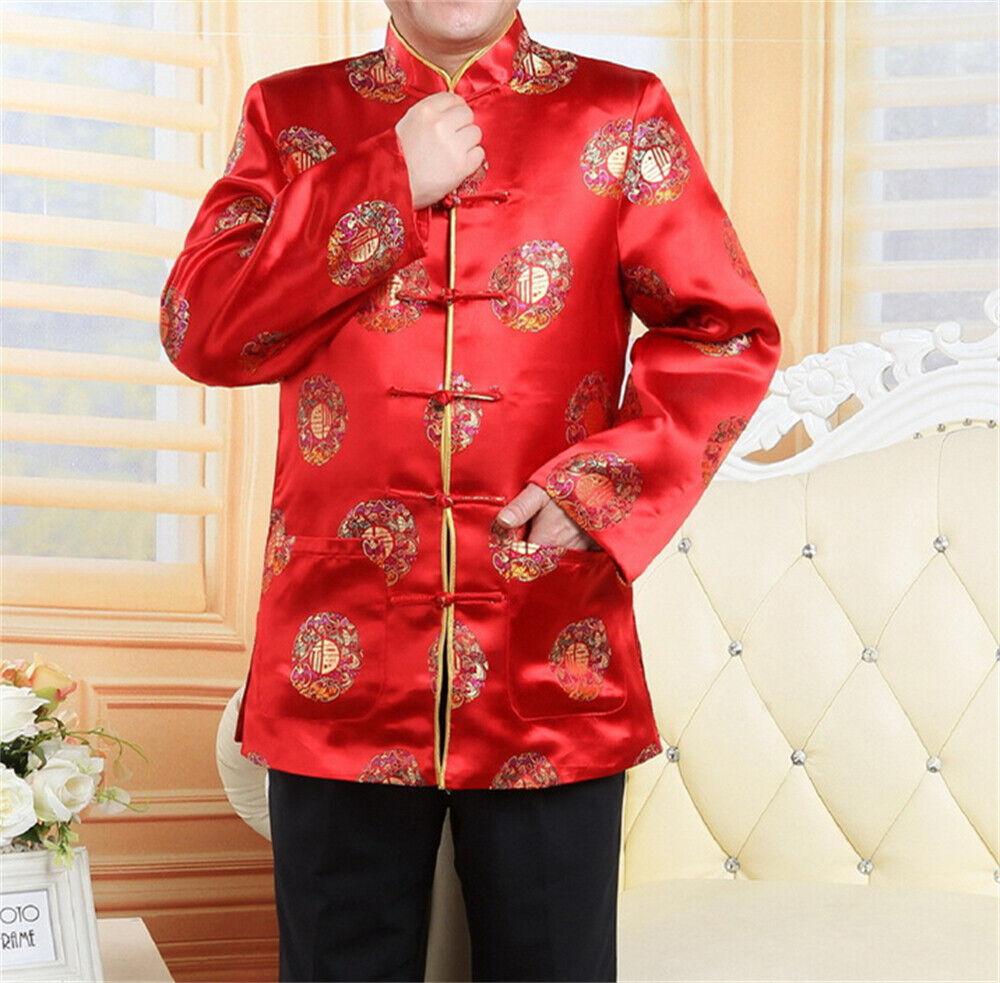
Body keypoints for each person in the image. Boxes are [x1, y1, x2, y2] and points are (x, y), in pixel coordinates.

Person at [160, 1, 782, 979]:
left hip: (548, 644)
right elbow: (203, 331)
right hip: (339, 647)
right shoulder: (292, 115)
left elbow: (725, 331)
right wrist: (382, 182)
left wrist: (602, 487)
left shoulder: (619, 112)